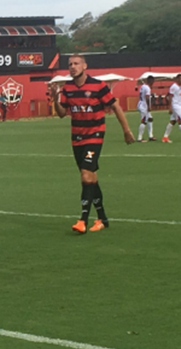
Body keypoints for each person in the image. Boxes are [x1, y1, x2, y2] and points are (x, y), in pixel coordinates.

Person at [51, 54, 135, 234]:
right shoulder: (67, 88)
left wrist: (126, 130)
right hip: (77, 138)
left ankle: (82, 220)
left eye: (76, 64)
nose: (72, 67)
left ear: (84, 66)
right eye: (70, 64)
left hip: (95, 136)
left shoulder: (98, 85)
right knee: (91, 179)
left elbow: (115, 106)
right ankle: (102, 218)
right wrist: (54, 98)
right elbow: (61, 113)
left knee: (85, 176)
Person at [136, 76, 156, 142]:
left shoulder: (143, 86)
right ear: (151, 81)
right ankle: (139, 138)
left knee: (150, 119)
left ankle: (150, 136)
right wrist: (148, 106)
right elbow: (147, 97)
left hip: (141, 103)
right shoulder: (147, 88)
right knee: (144, 121)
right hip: (144, 106)